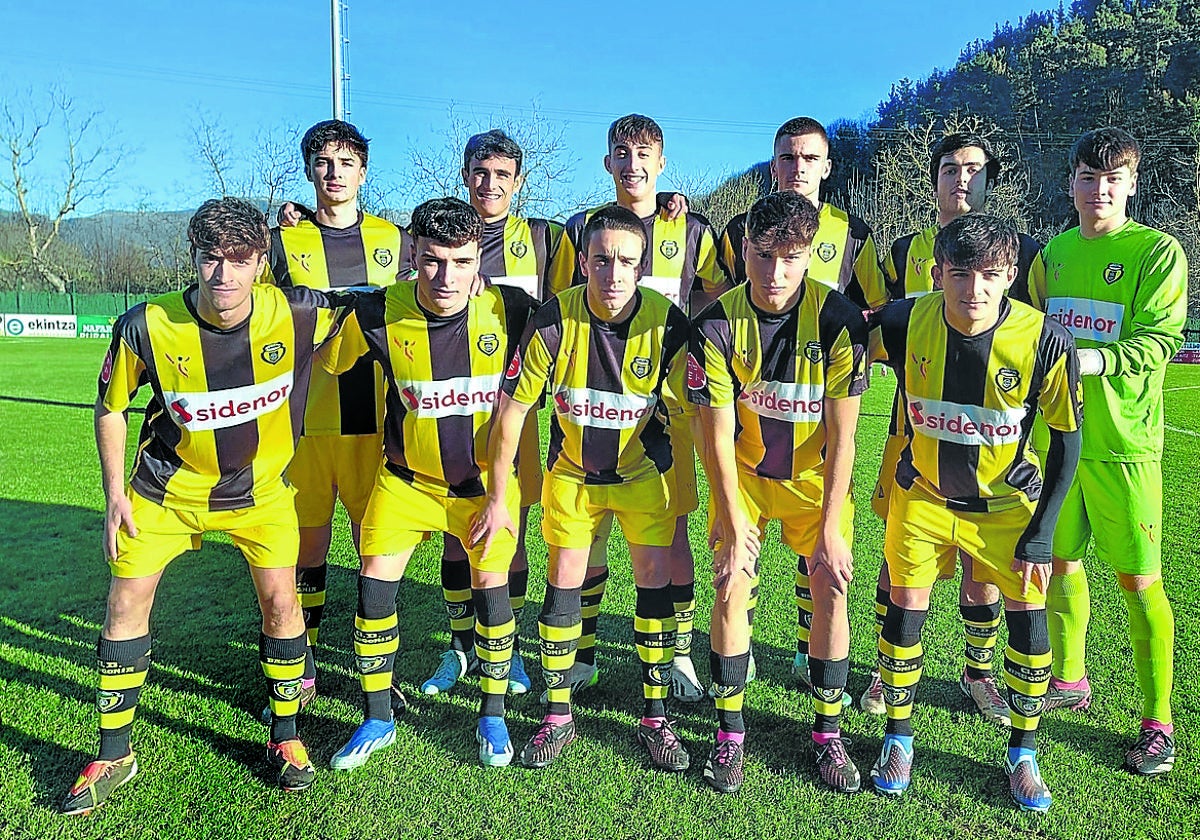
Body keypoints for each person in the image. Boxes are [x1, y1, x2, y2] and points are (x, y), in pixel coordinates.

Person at [62, 198, 352, 814]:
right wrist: (113, 493)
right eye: (209, 258)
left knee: (282, 599)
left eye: (239, 260)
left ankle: (287, 737)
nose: (222, 274)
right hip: (164, 492)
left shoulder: (298, 312)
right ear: (191, 259)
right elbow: (111, 407)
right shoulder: (145, 325)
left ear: (261, 264)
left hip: (262, 495)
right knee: (125, 602)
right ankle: (114, 753)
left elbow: (380, 300)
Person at [869, 214, 1081, 812]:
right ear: (938, 273)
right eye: (960, 274)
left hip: (1008, 508)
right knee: (904, 609)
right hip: (923, 499)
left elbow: (1067, 438)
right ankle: (898, 737)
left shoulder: (1044, 340)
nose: (974, 289)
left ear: (1010, 275)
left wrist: (1042, 532)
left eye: (989, 274)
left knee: (1027, 618)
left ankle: (1024, 752)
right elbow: (839, 326)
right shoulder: (907, 318)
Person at [471, 205, 694, 771]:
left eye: (625, 260)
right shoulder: (552, 320)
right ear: (584, 261)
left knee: (653, 585)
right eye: (601, 259)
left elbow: (704, 405)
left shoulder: (668, 323)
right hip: (573, 474)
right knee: (564, 584)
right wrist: (499, 498)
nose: (612, 273)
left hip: (644, 473)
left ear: (643, 265)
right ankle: (557, 717)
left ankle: (655, 718)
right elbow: (512, 410)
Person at [320, 197, 537, 770]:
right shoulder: (375, 313)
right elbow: (319, 355)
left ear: (479, 263)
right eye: (434, 261)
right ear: (413, 255)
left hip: (483, 485)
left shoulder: (511, 308)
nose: (447, 277)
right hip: (405, 482)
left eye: (462, 262)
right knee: (373, 585)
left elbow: (584, 331)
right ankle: (376, 718)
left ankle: (491, 715)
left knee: (492, 589)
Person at [545, 114, 730, 704]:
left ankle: (677, 654)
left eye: (644, 153)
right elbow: (555, 302)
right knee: (586, 538)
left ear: (662, 162)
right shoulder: (582, 228)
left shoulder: (693, 227)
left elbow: (718, 296)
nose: (633, 164)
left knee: (672, 533)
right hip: (594, 404)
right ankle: (585, 654)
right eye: (621, 153)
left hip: (668, 409)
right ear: (608, 163)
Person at [860, 133, 1043, 722]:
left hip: (995, 442)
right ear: (933, 179)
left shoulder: (1022, 251)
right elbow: (870, 322)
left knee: (982, 568)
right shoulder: (902, 249)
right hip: (911, 434)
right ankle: (887, 674)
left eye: (974, 169)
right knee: (901, 560)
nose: (961, 180)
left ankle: (979, 674)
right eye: (949, 169)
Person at [689, 191, 868, 794]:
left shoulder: (839, 319)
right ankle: (729, 734)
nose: (775, 272)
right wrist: (731, 518)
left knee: (831, 585)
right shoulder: (715, 323)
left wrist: (830, 527)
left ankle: (828, 735)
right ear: (744, 250)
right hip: (743, 478)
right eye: (763, 255)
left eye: (790, 257)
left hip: (815, 482)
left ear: (809, 256)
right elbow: (713, 435)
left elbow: (845, 438)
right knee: (731, 583)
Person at [1029, 127, 1187, 776]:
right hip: (1059, 443)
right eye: (1088, 178)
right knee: (1060, 563)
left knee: (1138, 579)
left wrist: (1091, 357)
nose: (1098, 191)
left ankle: (1159, 723)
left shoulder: (1158, 251)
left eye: (1112, 179)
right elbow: (1029, 331)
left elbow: (1160, 340)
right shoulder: (1053, 254)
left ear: (1131, 184)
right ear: (1071, 183)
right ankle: (1069, 678)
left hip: (1124, 448)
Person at [715, 117, 885, 695]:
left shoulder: (853, 233)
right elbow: (711, 292)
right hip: (751, 406)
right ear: (773, 164)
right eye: (787, 158)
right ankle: (741, 653)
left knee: (820, 560)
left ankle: (805, 650)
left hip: (818, 382)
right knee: (737, 557)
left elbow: (871, 307)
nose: (797, 168)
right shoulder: (742, 229)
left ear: (827, 166)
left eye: (808, 158)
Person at [260, 119, 413, 720]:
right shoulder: (284, 241)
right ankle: (304, 663)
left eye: (345, 162)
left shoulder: (394, 241)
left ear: (363, 172)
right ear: (309, 171)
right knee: (308, 547)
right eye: (322, 162)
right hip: (303, 420)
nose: (333, 172)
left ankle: (379, 672)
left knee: (375, 551)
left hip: (376, 420)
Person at [420, 129, 563, 699]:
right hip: (451, 408)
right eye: (481, 173)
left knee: (511, 525)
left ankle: (511, 647)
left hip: (516, 411)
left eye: (503, 175)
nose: (490, 185)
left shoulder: (547, 239)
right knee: (460, 530)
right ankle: (459, 647)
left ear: (518, 183)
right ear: (465, 176)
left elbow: (561, 308)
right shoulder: (443, 236)